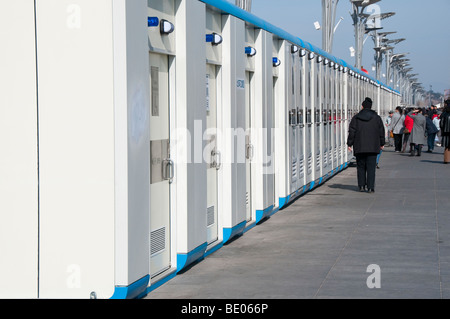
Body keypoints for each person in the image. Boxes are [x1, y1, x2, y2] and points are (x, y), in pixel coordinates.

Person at [347, 97, 385, 193]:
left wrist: (349, 144)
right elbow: (381, 131)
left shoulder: (356, 118)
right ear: (371, 106)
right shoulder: (377, 118)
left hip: (360, 146)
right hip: (373, 147)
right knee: (371, 167)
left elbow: (352, 131)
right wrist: (382, 143)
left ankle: (361, 186)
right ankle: (371, 187)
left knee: (360, 167)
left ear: (362, 106)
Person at [440, 100, 450, 164]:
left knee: (447, 146)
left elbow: (441, 124)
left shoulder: (444, 113)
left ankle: (446, 159)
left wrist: (442, 130)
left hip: (446, 132)